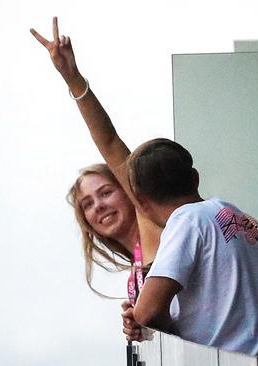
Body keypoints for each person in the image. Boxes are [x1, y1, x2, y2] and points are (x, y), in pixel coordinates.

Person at [122, 138, 258, 359]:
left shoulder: (188, 219)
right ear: (195, 178)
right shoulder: (249, 225)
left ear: (142, 202)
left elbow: (148, 312)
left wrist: (149, 320)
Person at [30, 18, 161, 302]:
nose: (98, 205)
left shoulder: (156, 224)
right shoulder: (137, 270)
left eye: (105, 192)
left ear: (128, 190)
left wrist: (72, 78)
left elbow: (110, 142)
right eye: (87, 204)